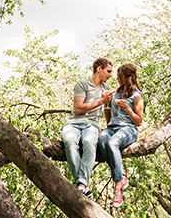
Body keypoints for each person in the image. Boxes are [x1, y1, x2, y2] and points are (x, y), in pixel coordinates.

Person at [61, 57, 114, 198]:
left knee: (89, 142)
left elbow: (107, 110)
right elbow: (79, 108)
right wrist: (101, 100)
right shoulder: (82, 84)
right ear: (99, 69)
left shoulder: (107, 89)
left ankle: (82, 185)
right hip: (73, 123)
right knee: (70, 141)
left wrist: (108, 104)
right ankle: (82, 184)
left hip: (92, 125)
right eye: (108, 71)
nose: (110, 75)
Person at [97, 62, 144, 207]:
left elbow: (139, 121)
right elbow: (109, 120)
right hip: (113, 127)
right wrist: (106, 104)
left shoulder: (137, 96)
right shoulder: (116, 93)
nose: (117, 78)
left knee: (112, 143)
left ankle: (118, 186)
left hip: (128, 130)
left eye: (120, 76)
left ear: (128, 77)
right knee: (101, 138)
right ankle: (121, 177)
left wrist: (128, 109)